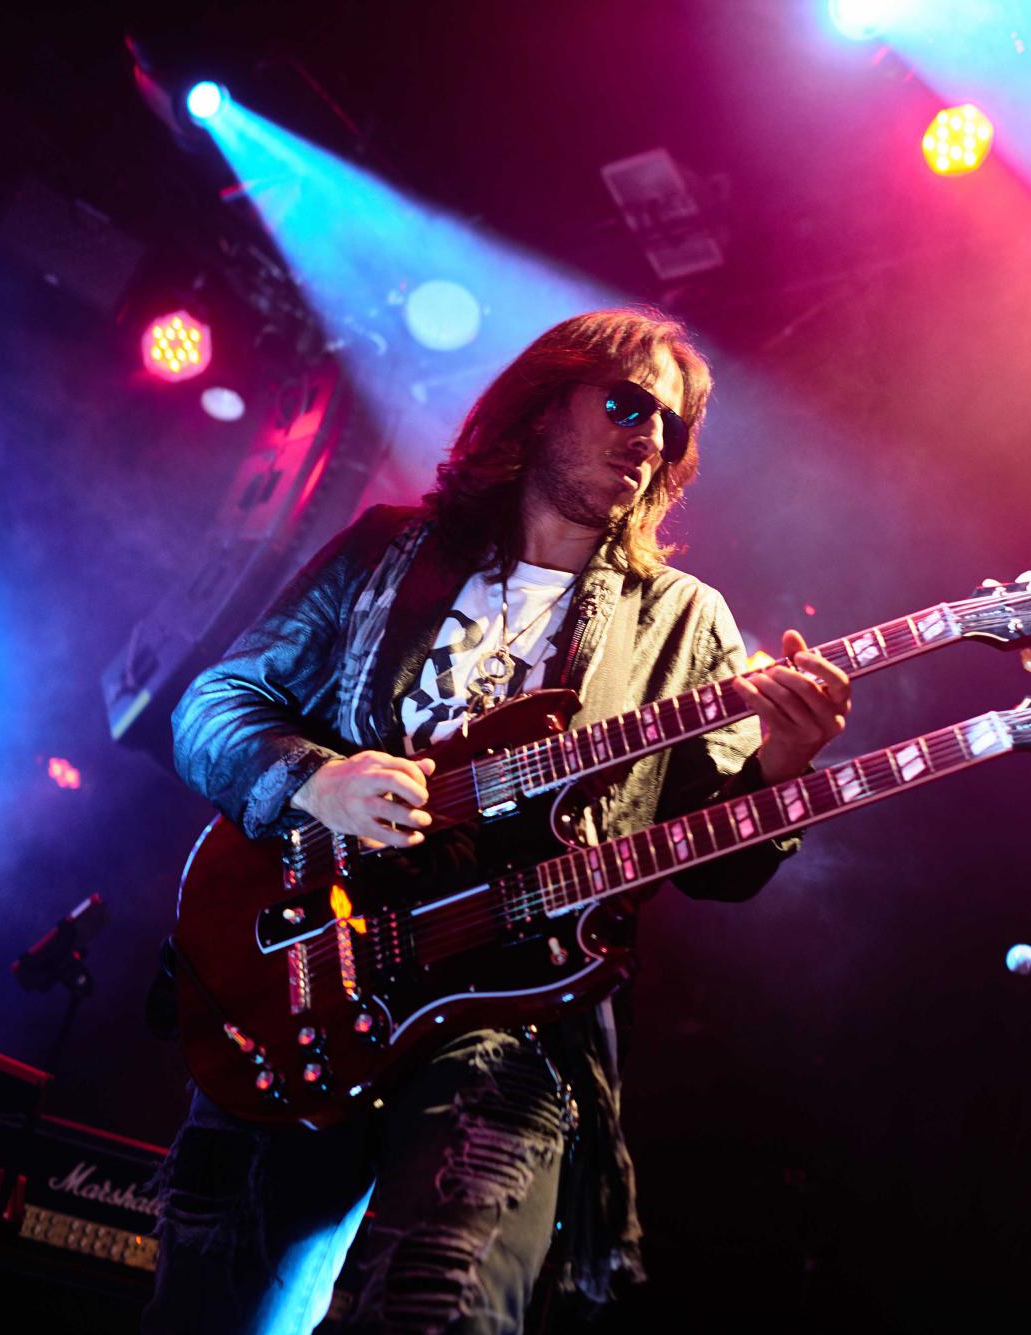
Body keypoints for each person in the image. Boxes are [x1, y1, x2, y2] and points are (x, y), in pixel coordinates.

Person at [147, 308, 851, 1334]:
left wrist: (781, 764)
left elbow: (716, 863)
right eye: (628, 405)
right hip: (308, 982)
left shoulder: (681, 618)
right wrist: (319, 781)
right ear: (543, 401)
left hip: (514, 1010)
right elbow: (213, 706)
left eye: (672, 427)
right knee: (209, 1307)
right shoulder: (392, 551)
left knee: (441, 1305)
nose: (651, 438)